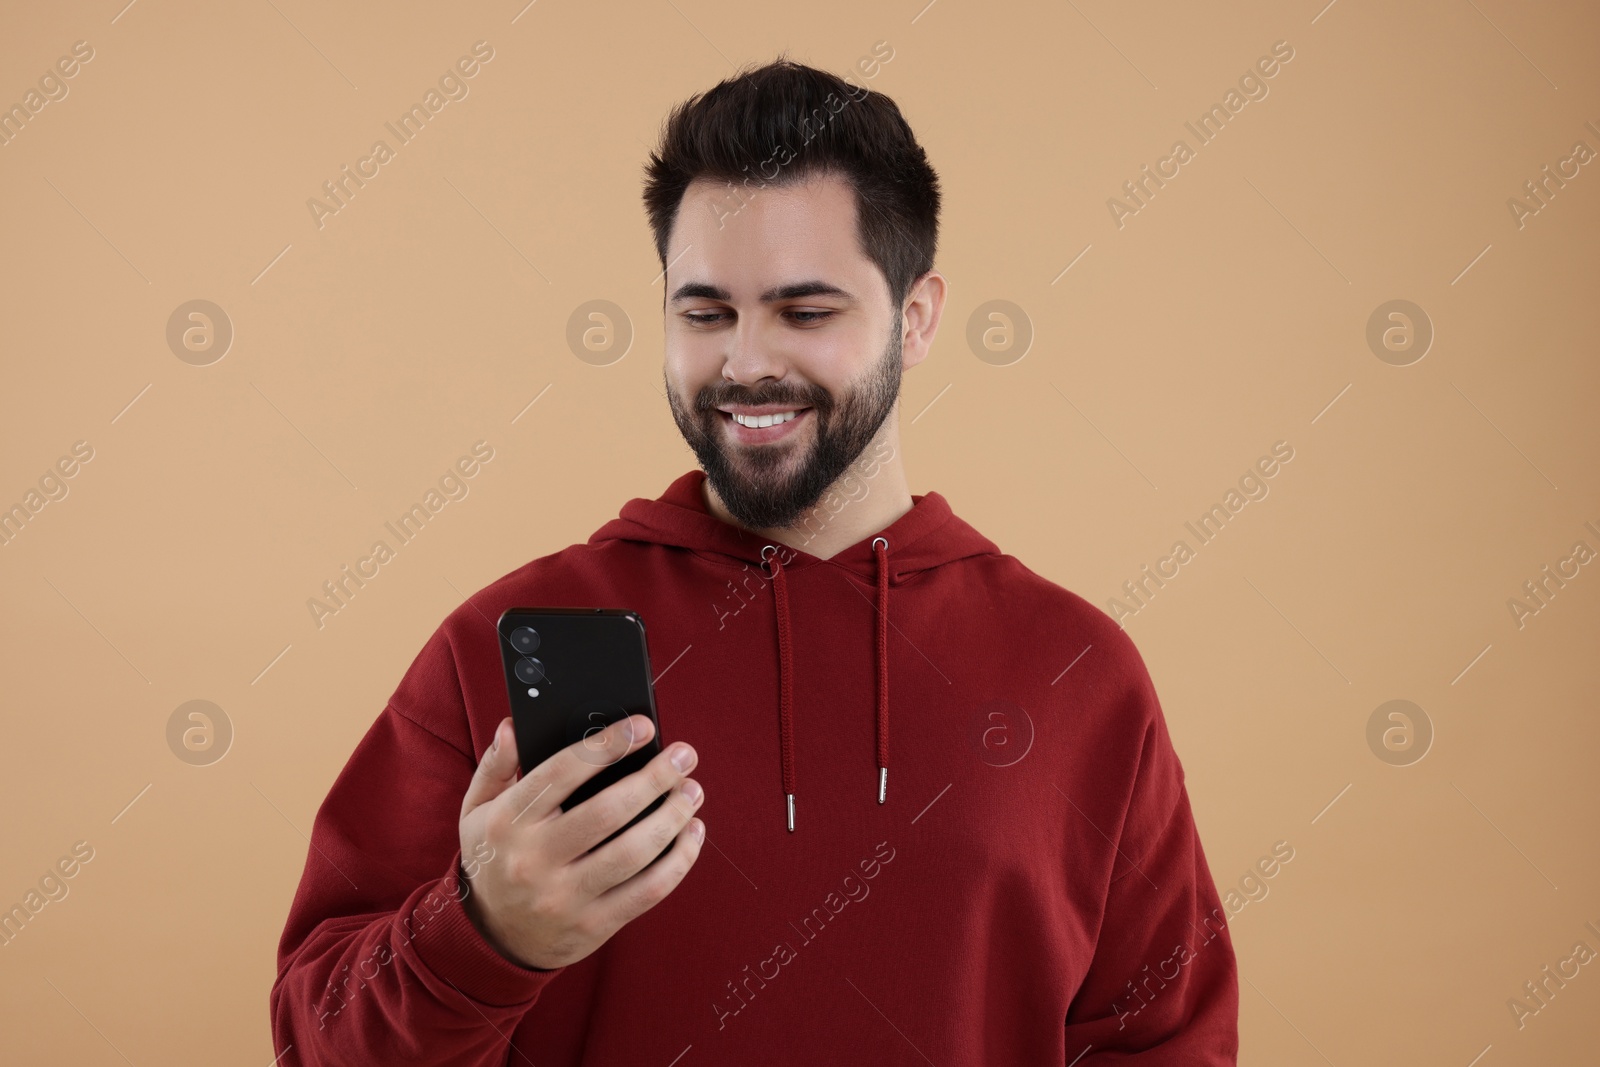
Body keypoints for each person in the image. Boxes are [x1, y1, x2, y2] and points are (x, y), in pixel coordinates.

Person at [270, 56, 1239, 1065]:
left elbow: (1166, 1037)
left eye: (804, 311)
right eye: (704, 312)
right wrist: (483, 937)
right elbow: (314, 1038)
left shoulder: (1077, 667)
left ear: (916, 318)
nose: (744, 363)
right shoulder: (496, 647)